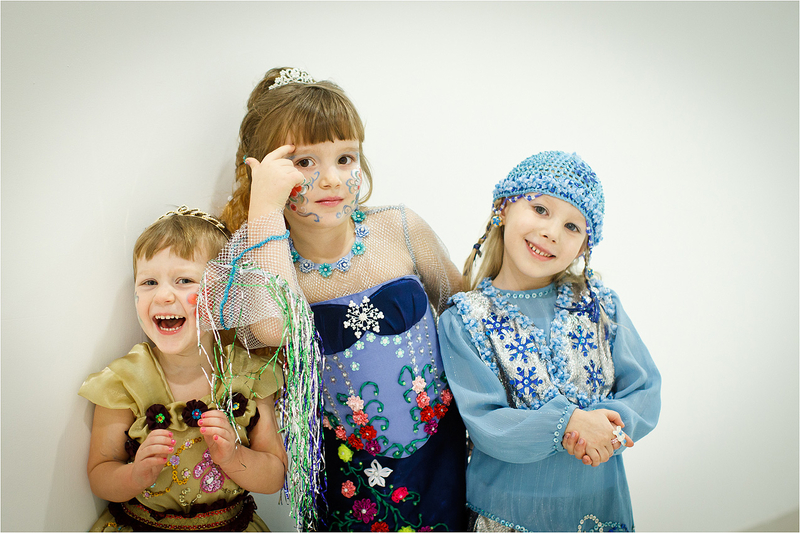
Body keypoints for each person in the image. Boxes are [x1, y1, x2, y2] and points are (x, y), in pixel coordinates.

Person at [217, 67, 468, 531]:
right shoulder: (264, 264)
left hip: (443, 453)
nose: (331, 179)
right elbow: (274, 327)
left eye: (346, 158)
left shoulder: (400, 229)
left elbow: (464, 311)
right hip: (349, 471)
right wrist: (264, 208)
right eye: (304, 162)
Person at [438, 151, 661, 532]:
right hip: (507, 514)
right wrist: (569, 424)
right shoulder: (464, 320)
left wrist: (604, 429)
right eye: (540, 209)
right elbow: (486, 422)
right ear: (503, 208)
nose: (552, 232)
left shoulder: (599, 305)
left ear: (584, 246)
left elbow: (644, 389)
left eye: (572, 226)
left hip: (600, 507)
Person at [79, 206, 287, 531]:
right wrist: (134, 476)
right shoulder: (124, 381)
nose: (163, 295)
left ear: (224, 294)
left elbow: (274, 476)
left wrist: (233, 457)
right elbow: (100, 474)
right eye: (149, 282)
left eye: (184, 280)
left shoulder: (249, 377)